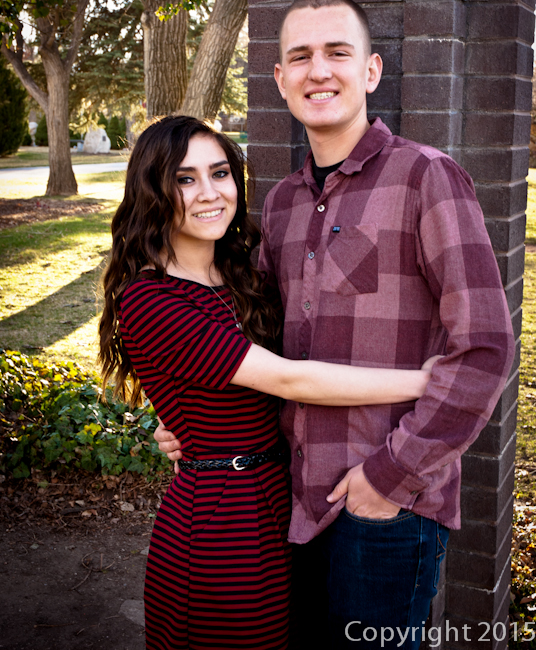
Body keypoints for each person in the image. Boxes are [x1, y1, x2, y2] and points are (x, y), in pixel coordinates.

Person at [155, 0, 516, 649]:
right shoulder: (283, 204)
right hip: (291, 496)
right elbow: (254, 344)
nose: (318, 70)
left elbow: (485, 349)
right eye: (300, 57)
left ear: (370, 71)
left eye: (337, 53)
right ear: (280, 79)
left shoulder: (426, 178)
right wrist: (193, 418)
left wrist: (388, 480)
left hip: (385, 508)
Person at [98, 114, 438, 650]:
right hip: (219, 520)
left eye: (220, 173)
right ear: (152, 192)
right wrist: (423, 383)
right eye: (185, 179)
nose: (209, 192)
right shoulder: (150, 299)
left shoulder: (241, 273)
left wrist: (178, 421)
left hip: (279, 501)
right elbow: (290, 378)